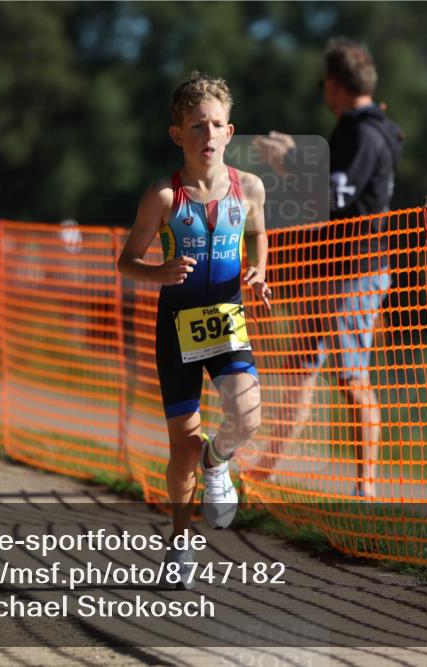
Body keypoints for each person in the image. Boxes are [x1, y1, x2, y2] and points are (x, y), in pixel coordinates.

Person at [117, 71, 271, 589]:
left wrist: (260, 270)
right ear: (177, 134)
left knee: (247, 416)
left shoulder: (249, 188)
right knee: (179, 449)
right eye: (196, 125)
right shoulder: (162, 197)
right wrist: (157, 274)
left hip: (227, 321)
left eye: (216, 125)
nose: (208, 134)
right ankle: (180, 545)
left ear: (230, 132)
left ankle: (219, 460)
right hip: (178, 329)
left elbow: (258, 235)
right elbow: (126, 261)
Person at [251, 38, 404, 498]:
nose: (324, 92)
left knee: (352, 378)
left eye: (324, 84)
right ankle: (265, 470)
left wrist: (289, 162)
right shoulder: (358, 130)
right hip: (331, 269)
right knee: (298, 370)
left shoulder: (362, 133)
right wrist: (295, 158)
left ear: (335, 85)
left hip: (354, 271)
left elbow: (335, 194)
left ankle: (366, 487)